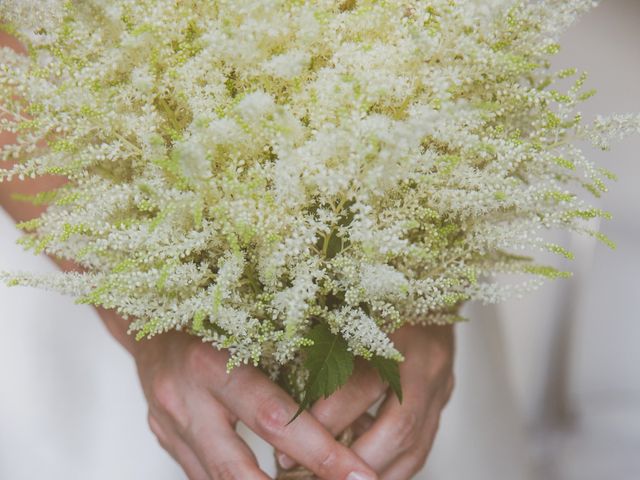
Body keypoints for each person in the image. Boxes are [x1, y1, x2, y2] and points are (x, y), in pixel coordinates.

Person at [0, 30, 455, 480]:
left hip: (390, 211)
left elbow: (463, 50)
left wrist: (428, 291)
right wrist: (146, 328)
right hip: (111, 215)